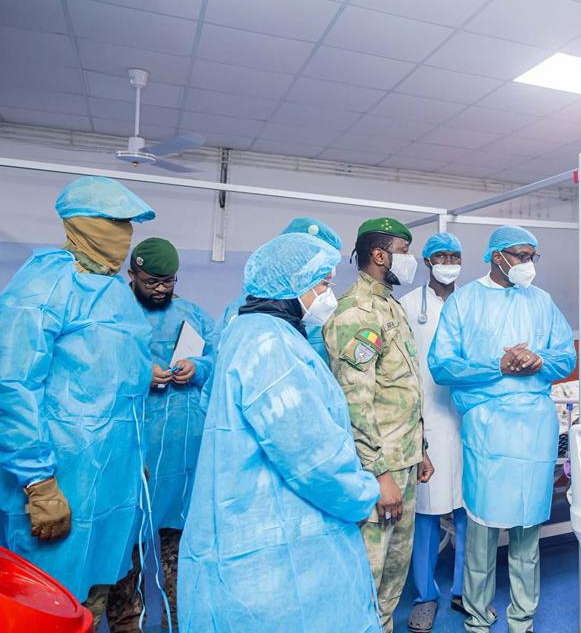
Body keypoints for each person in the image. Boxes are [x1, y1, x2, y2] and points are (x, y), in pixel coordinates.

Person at [178, 232, 381, 633]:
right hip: (275, 543)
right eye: (322, 285)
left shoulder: (247, 330)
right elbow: (310, 454)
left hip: (245, 523)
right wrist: (359, 495)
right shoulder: (272, 345)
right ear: (291, 284)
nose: (329, 296)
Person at [0, 176, 155, 632]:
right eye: (114, 222)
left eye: (128, 225)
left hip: (109, 480)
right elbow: (12, 384)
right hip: (60, 477)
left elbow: (124, 386)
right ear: (80, 223)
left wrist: (136, 458)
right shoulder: (43, 286)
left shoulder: (114, 292)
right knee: (46, 607)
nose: (124, 235)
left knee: (92, 602)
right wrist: (39, 483)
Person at [429, 225, 576, 633]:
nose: (528, 263)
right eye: (521, 255)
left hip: (534, 429)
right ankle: (478, 616)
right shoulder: (465, 302)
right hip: (487, 429)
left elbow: (566, 357)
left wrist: (537, 359)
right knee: (482, 530)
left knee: (527, 531)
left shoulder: (542, 301)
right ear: (497, 256)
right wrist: (498, 365)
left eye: (532, 256)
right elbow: (442, 365)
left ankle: (522, 619)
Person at [323, 217, 434, 633]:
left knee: (393, 574)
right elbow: (356, 401)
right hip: (378, 467)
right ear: (380, 255)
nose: (411, 260)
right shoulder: (357, 312)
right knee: (367, 574)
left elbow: (402, 387)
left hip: (403, 459)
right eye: (404, 252)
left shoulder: (390, 305)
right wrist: (380, 474)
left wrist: (421, 450)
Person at [122, 237, 217, 629]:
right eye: (152, 282)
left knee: (179, 551)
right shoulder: (116, 314)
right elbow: (94, 371)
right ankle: (127, 622)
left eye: (169, 281)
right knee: (125, 556)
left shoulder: (191, 314)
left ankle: (179, 622)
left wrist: (198, 367)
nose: (161, 289)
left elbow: (217, 356)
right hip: (132, 456)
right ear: (132, 274)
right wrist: (138, 375)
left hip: (181, 458)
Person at [399, 232, 477, 632]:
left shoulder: (474, 302)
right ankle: (425, 596)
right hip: (428, 420)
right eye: (441, 256)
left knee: (468, 512)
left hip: (468, 420)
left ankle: (465, 591)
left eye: (455, 256)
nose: (449, 263)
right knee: (426, 515)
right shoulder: (408, 305)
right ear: (428, 261)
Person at [219, 216, 341, 362]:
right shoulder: (250, 315)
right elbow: (218, 361)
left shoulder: (313, 313)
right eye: (324, 282)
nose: (327, 294)